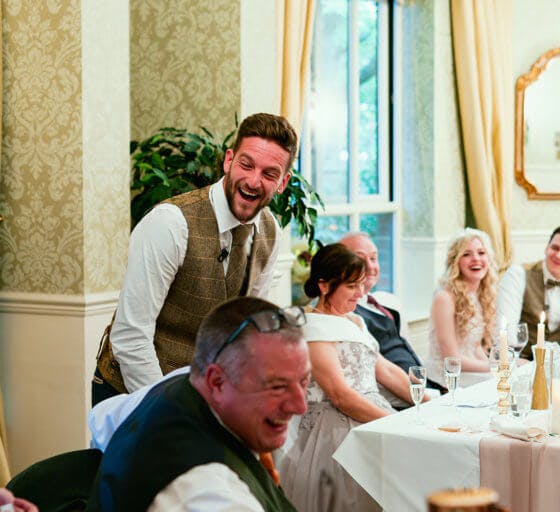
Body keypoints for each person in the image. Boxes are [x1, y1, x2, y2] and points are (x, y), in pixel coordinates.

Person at [93, 113, 298, 405]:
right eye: (246, 164)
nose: (253, 181)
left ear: (282, 182)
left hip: (204, 397)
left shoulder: (270, 231)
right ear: (229, 160)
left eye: (269, 174)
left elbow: (248, 327)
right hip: (131, 393)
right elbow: (130, 336)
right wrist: (172, 410)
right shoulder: (169, 223)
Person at [88, 296, 308, 511]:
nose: (300, 406)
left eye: (304, 381)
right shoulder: (209, 492)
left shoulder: (182, 382)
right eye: (277, 387)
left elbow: (101, 416)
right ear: (217, 381)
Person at [279, 244, 416, 512]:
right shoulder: (313, 328)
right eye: (352, 286)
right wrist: (396, 423)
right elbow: (340, 395)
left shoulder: (355, 321)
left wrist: (425, 399)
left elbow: (384, 369)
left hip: (373, 411)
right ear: (324, 285)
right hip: (336, 430)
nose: (361, 293)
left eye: (362, 284)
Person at [339, 232, 445, 400]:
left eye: (373, 259)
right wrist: (427, 400)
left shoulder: (383, 303)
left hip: (423, 386)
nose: (370, 267)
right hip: (400, 398)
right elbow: (378, 371)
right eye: (360, 259)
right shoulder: (347, 314)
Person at [497, 225, 560, 360]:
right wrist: (514, 361)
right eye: (555, 248)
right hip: (523, 361)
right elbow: (506, 327)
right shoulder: (518, 274)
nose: (559, 255)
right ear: (546, 248)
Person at [427, 228, 498, 387]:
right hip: (446, 378)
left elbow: (476, 348)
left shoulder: (479, 294)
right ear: (455, 261)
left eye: (481, 253)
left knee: (505, 381)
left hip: (469, 371)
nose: (476, 259)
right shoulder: (444, 298)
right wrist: (496, 366)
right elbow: (450, 359)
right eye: (466, 254)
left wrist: (495, 370)